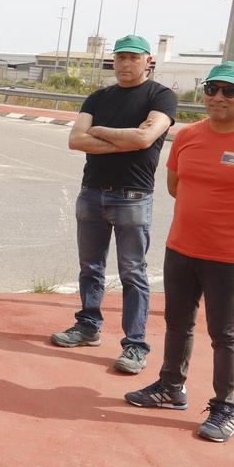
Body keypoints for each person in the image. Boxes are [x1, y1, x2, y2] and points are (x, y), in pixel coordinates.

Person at [125, 62, 234, 443]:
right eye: (212, 89)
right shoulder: (189, 135)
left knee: (224, 334)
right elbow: (176, 186)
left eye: (230, 90)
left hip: (229, 256)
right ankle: (170, 386)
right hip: (181, 248)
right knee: (177, 325)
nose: (218, 97)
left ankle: (225, 406)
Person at [52, 35, 177, 375]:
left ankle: (135, 345)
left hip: (132, 196)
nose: (125, 64)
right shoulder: (98, 96)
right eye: (120, 58)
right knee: (90, 266)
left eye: (133, 58)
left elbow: (145, 138)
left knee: (132, 272)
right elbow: (76, 139)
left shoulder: (160, 96)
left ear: (147, 61)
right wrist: (125, 136)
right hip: (92, 192)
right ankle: (88, 325)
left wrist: (102, 133)